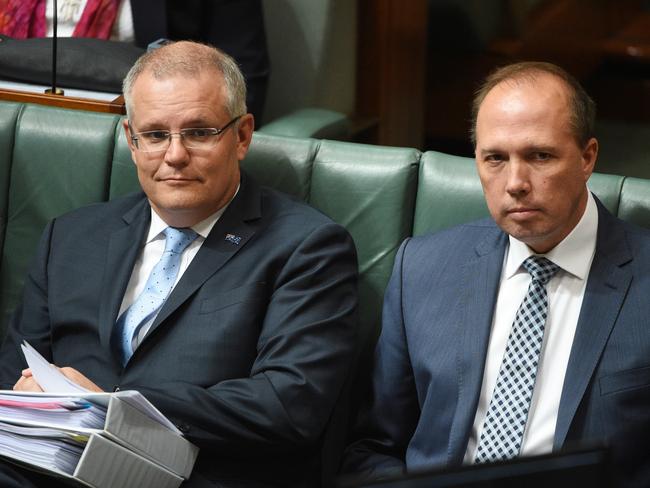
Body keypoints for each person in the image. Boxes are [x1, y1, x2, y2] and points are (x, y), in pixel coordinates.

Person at [0, 40, 357, 487]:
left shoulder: (307, 247)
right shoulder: (69, 238)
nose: (174, 155)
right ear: (131, 140)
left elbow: (288, 405)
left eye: (199, 133)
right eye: (154, 135)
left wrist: (115, 406)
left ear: (242, 135)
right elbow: (13, 378)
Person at [342, 61, 650, 486]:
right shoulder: (422, 269)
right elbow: (374, 447)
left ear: (587, 157)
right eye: (495, 159)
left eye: (539, 156)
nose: (516, 182)